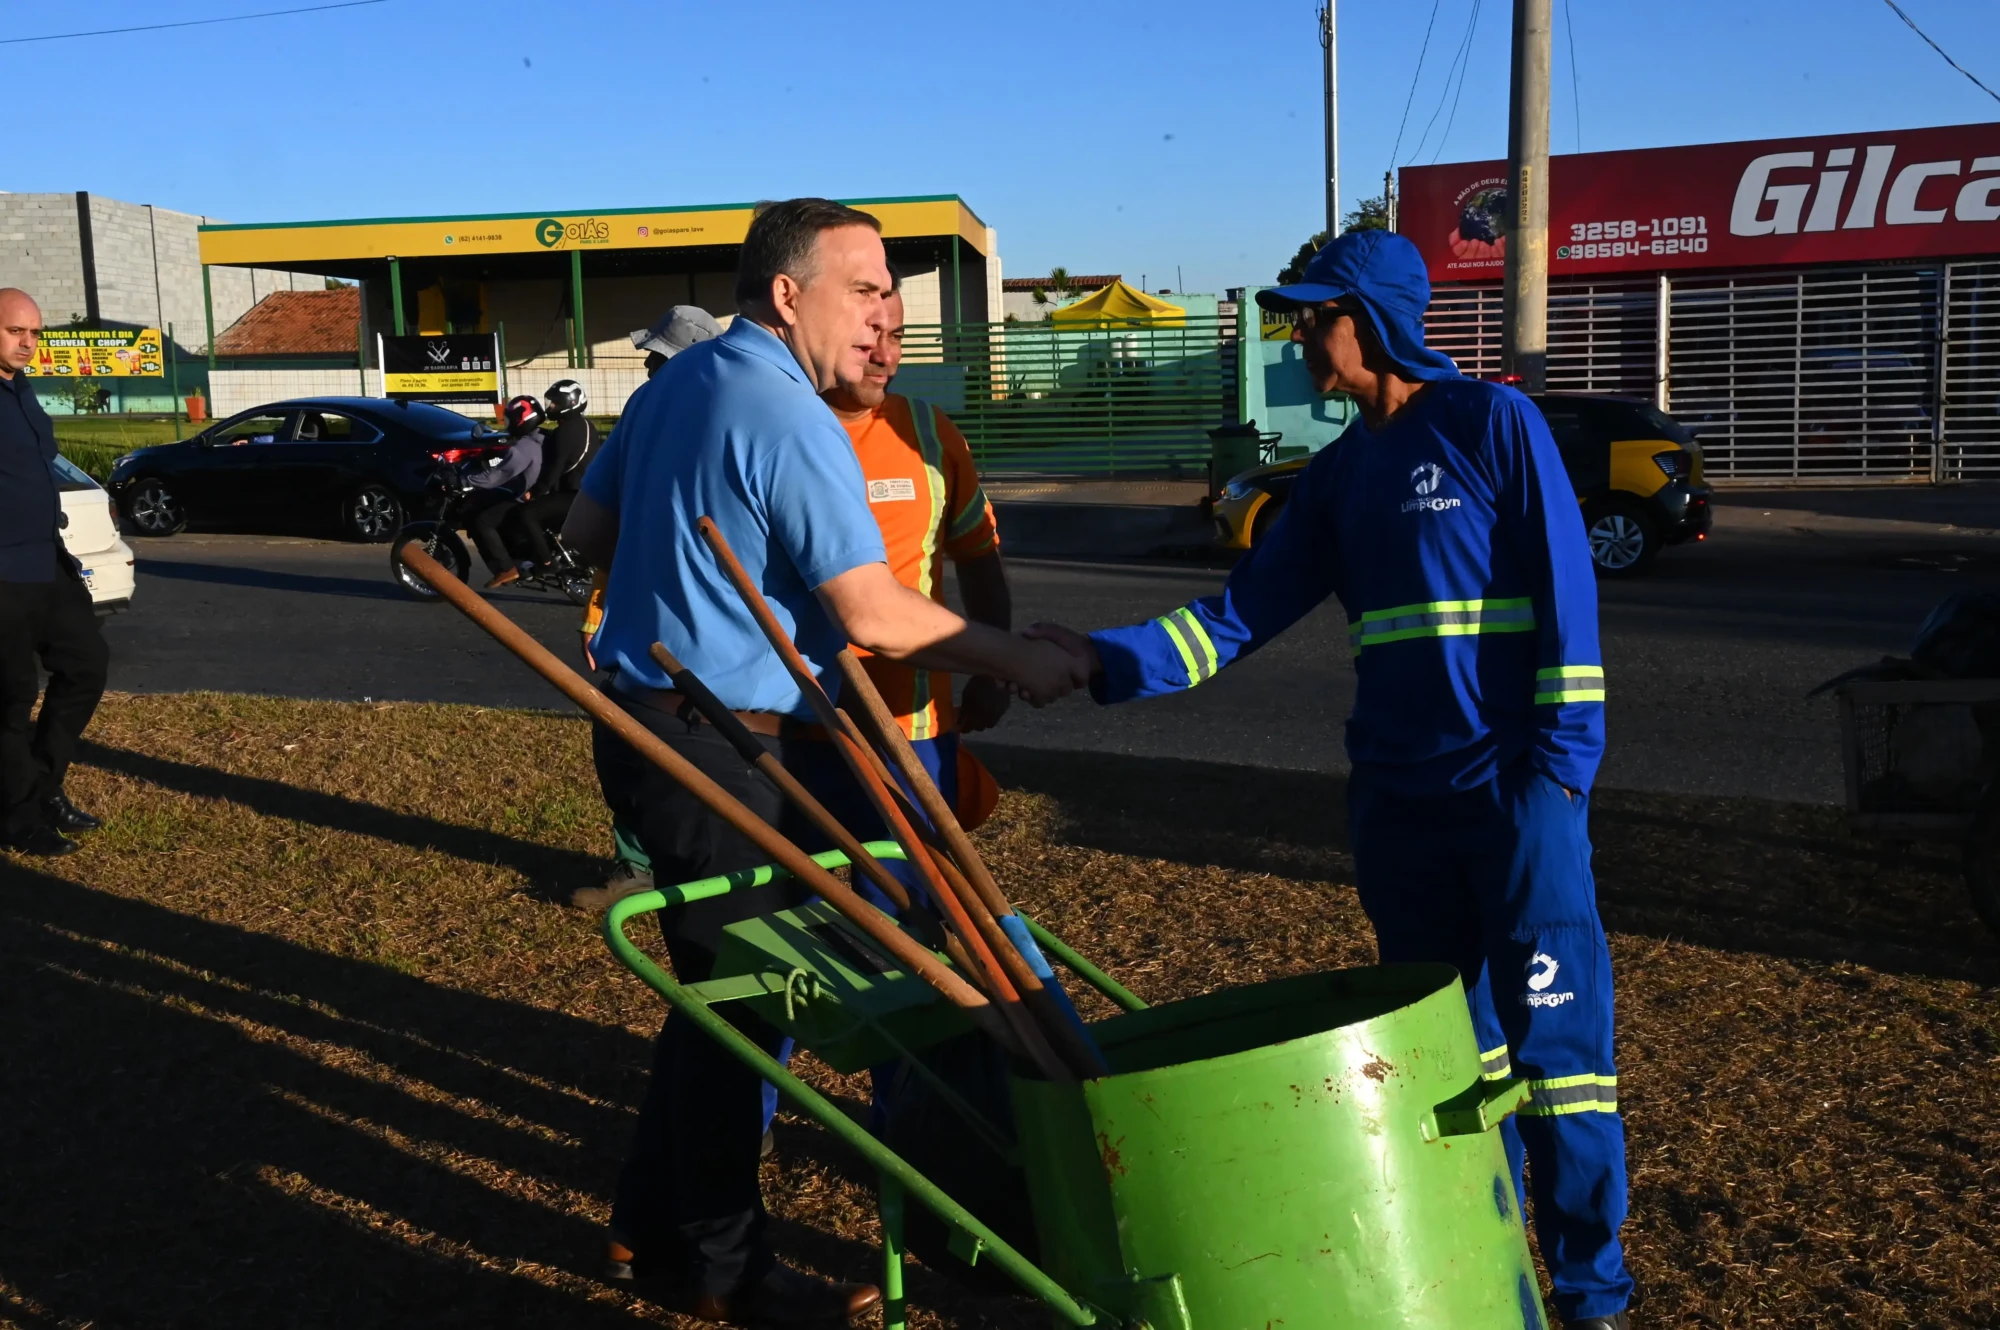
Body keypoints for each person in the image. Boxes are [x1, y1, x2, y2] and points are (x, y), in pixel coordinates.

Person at [1026, 231, 1633, 1330]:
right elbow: (1231, 621)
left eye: (1316, 316)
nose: (1300, 336)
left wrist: (1557, 778)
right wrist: (1098, 662)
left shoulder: (1493, 424)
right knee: (1450, 1063)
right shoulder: (1337, 478)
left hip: (1514, 798)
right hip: (1397, 812)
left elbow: (1567, 603)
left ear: (1376, 318)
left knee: (1560, 1068)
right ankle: (1492, 1287)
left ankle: (1593, 1300)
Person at [560, 198, 1083, 1325]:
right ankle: (719, 1267)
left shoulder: (672, 388)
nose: (884, 312)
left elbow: (584, 538)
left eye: (889, 290)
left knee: (724, 990)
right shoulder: (789, 415)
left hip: (654, 724)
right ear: (787, 294)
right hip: (724, 740)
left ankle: (652, 1223)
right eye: (865, 289)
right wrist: (1017, 657)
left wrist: (698, 567)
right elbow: (874, 615)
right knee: (745, 1008)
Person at [571, 312, 725, 911]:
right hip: (640, 621)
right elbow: (596, 529)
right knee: (626, 745)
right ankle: (639, 867)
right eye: (651, 359)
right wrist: (601, 613)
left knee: (694, 754)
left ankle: (696, 871)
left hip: (705, 627)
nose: (649, 367)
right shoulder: (645, 416)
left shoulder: (722, 422)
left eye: (659, 359)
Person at [0, 287, 110, 857]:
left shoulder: (22, 389)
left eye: (35, 333)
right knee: (11, 698)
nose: (27, 343)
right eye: (15, 331)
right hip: (3, 573)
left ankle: (43, 788)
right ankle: (17, 817)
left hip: (48, 561)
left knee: (86, 667)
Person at [494, 378, 595, 581]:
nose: (550, 407)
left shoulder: (565, 432)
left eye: (555, 403)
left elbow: (555, 468)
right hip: (587, 491)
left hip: (573, 494)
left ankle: (546, 563)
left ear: (570, 403)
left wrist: (535, 492)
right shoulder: (585, 425)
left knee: (526, 514)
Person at [463, 395, 546, 589]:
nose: (506, 423)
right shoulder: (539, 438)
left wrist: (465, 480)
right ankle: (517, 556)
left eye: (509, 419)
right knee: (493, 498)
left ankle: (505, 568)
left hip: (524, 497)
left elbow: (495, 477)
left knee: (482, 520)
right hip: (533, 492)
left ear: (520, 420)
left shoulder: (523, 448)